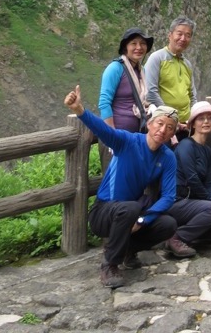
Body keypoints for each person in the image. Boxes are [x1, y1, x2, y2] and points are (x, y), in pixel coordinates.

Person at [63, 85, 178, 288]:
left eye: (170, 127)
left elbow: (169, 196)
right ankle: (110, 264)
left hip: (131, 214)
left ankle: (126, 250)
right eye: (160, 123)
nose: (163, 130)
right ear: (149, 124)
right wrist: (79, 110)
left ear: (173, 133)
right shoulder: (127, 141)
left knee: (168, 224)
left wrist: (143, 220)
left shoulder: (167, 157)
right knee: (131, 208)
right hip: (104, 212)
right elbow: (103, 130)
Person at [167, 101, 211, 255]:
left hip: (194, 204)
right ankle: (176, 238)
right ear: (193, 124)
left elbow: (208, 181)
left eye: (210, 118)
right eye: (201, 119)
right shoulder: (186, 145)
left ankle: (178, 233)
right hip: (178, 201)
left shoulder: (207, 151)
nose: (206, 122)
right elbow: (192, 178)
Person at [144, 16, 198, 125]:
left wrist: (193, 117)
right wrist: (170, 116)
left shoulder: (187, 64)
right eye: (179, 33)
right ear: (170, 35)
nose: (183, 38)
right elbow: (151, 92)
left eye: (188, 35)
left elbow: (192, 95)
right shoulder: (157, 58)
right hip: (163, 123)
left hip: (186, 124)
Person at [99, 28, 154, 133]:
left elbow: (142, 100)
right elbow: (104, 103)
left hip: (138, 134)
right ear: (125, 47)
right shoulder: (115, 68)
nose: (139, 47)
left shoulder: (141, 71)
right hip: (119, 135)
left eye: (143, 43)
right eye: (134, 43)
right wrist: (111, 134)